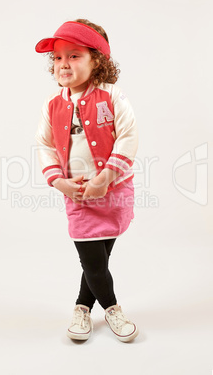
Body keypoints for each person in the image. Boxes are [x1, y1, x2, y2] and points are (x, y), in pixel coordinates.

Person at [35, 19, 139, 342]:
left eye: (74, 55)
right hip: (77, 195)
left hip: (115, 190)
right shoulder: (52, 106)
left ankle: (82, 306)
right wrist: (59, 182)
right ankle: (112, 309)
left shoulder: (112, 97)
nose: (63, 63)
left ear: (97, 60)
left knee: (99, 258)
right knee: (92, 259)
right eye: (58, 57)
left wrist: (106, 177)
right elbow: (45, 145)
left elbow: (128, 136)